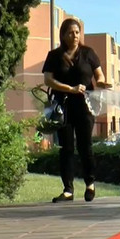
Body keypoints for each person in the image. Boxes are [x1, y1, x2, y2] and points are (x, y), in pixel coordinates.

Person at [42, 18, 112, 203]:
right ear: (63, 35)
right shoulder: (54, 55)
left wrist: (103, 83)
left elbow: (99, 75)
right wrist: (70, 89)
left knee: (85, 145)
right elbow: (48, 80)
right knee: (66, 148)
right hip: (63, 107)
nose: (75, 36)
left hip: (84, 106)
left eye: (77, 32)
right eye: (71, 33)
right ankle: (68, 190)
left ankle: (90, 184)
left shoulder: (88, 53)